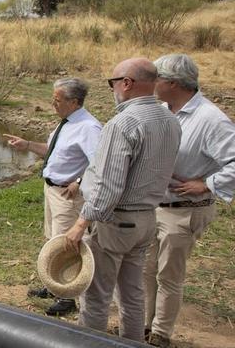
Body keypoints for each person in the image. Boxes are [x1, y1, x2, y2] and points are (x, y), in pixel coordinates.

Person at [64, 58, 180, 342]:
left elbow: (108, 184)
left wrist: (81, 224)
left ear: (126, 84)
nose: (112, 89)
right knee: (132, 293)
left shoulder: (123, 123)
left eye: (112, 83)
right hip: (146, 219)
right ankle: (132, 342)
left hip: (115, 221)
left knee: (96, 295)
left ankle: (90, 344)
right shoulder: (170, 120)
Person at [143, 54, 235, 347]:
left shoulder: (211, 119)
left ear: (172, 82)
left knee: (169, 275)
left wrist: (206, 184)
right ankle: (144, 325)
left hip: (184, 210)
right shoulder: (162, 109)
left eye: (155, 78)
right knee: (146, 269)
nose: (151, 83)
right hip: (155, 205)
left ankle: (160, 335)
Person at [4, 77, 101, 316]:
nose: (52, 103)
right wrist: (26, 144)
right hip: (52, 191)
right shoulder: (65, 123)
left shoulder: (89, 127)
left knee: (67, 244)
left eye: (57, 100)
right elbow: (52, 151)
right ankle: (54, 284)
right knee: (53, 240)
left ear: (74, 101)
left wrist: (78, 182)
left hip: (68, 197)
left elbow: (99, 164)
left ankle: (67, 297)